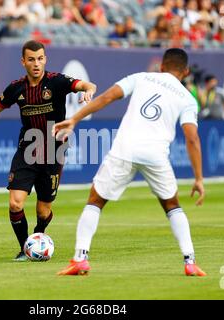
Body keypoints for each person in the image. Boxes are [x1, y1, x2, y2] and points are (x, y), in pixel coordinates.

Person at [54, 48, 206, 277]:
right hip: (156, 155)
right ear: (185, 72)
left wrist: (74, 118)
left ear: (162, 66)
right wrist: (199, 179)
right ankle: (190, 261)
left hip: (125, 149)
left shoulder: (141, 77)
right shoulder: (187, 98)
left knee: (95, 200)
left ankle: (80, 258)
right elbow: (192, 138)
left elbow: (106, 97)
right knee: (172, 205)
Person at [0, 40, 97, 261]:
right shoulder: (16, 88)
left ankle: (39, 234)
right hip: (27, 149)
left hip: (53, 151)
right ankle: (24, 248)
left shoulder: (57, 82)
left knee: (43, 210)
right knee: (15, 202)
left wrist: (87, 92)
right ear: (23, 62)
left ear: (45, 59)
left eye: (40, 59)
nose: (36, 64)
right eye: (31, 59)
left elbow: (89, 85)